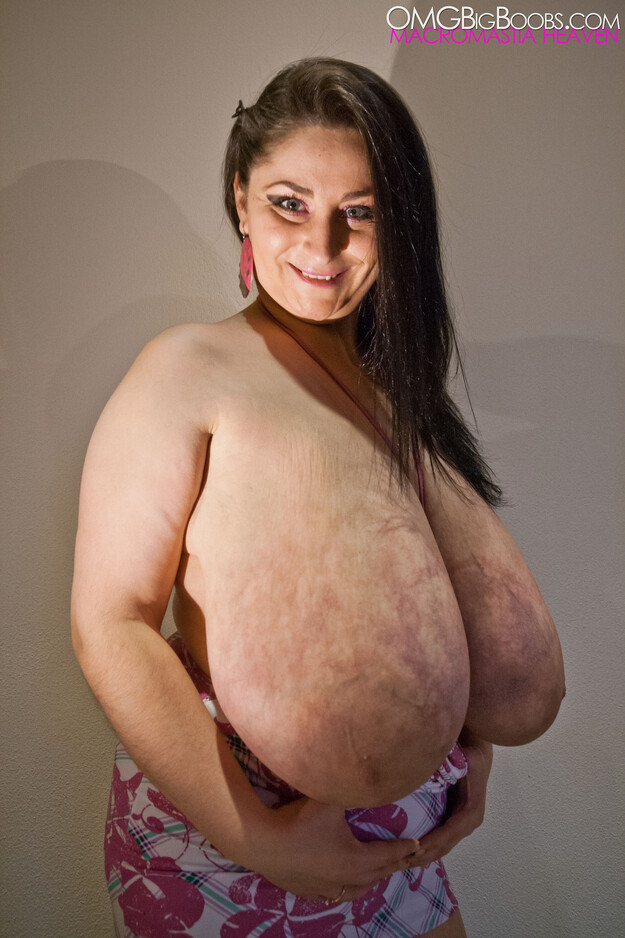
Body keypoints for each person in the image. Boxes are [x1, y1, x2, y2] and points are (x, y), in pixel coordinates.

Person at [71, 58, 565, 937]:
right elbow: (109, 625)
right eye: (288, 204)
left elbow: (435, 599)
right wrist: (260, 840)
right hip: (232, 851)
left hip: (405, 851)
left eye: (359, 212)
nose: (323, 247)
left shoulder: (393, 389)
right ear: (241, 200)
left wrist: (464, 745)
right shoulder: (185, 369)